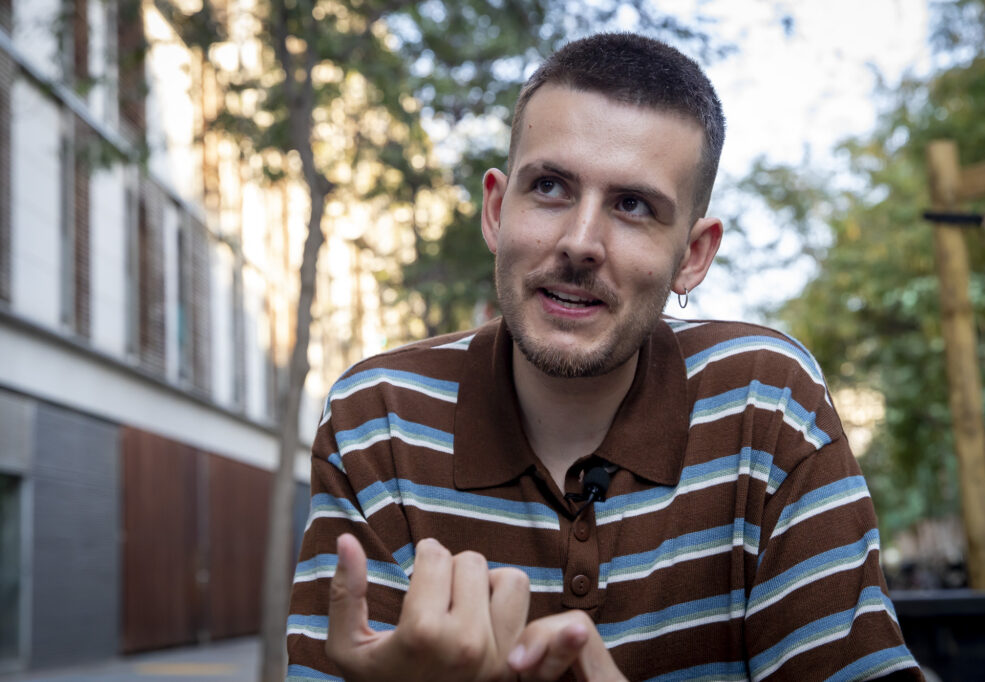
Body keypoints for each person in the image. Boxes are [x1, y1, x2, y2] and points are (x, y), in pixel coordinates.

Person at [286, 33, 923, 681]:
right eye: (552, 187)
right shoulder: (378, 419)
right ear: (498, 210)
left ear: (693, 256)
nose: (580, 243)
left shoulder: (768, 402)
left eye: (632, 205)